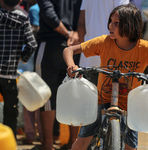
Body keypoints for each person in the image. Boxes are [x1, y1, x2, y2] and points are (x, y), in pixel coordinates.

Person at [63, 3, 148, 150]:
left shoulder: (144, 48)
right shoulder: (104, 42)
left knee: (131, 147)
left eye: (116, 23)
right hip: (102, 100)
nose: (110, 26)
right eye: (110, 22)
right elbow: (69, 50)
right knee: (82, 141)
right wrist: (72, 65)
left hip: (131, 105)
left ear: (130, 25)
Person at [35, 0, 82, 150]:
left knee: (47, 95)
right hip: (75, 49)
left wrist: (68, 33)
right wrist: (75, 34)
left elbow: (49, 15)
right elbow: (84, 16)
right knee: (74, 95)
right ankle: (72, 143)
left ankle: (48, 144)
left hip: (50, 45)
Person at [0, 0, 37, 137]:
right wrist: (22, 59)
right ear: (19, 1)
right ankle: (9, 142)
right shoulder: (23, 20)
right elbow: (32, 44)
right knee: (11, 114)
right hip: (10, 76)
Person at [77, 0, 129, 85]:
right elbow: (124, 24)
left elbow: (81, 25)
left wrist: (84, 54)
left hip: (88, 60)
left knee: (89, 97)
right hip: (112, 63)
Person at [18, 0, 42, 145]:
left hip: (30, 60)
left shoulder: (33, 9)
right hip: (41, 59)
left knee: (29, 100)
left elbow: (32, 36)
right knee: (41, 100)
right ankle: (43, 133)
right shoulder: (40, 8)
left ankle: (30, 134)